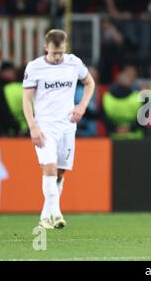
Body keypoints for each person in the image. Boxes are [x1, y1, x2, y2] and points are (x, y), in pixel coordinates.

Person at [22, 29, 95, 229]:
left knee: (60, 173)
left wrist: (81, 106)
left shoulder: (74, 63)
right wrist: (33, 126)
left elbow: (90, 83)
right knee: (50, 168)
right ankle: (56, 214)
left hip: (67, 126)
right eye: (54, 53)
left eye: (61, 52)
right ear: (46, 48)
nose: (57, 57)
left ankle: (45, 216)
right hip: (44, 126)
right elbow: (26, 100)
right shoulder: (35, 67)